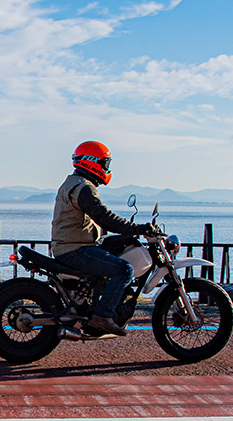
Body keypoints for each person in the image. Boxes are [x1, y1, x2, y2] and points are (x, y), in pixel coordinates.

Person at [50, 140, 159, 337]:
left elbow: (99, 219)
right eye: (105, 163)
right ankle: (103, 316)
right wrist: (138, 228)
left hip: (69, 246)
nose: (106, 168)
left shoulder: (73, 183)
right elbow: (105, 217)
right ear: (92, 161)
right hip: (74, 250)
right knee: (124, 269)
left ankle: (94, 307)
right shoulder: (84, 188)